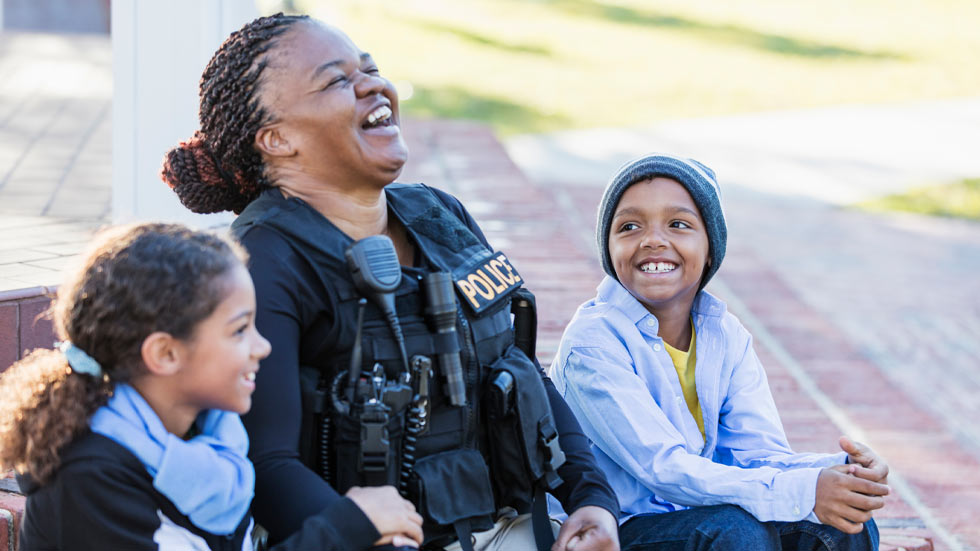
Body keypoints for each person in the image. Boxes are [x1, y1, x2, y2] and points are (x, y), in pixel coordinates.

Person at [160, 12, 619, 551]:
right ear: (277, 139)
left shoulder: (439, 214)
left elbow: (520, 371)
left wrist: (592, 496)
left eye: (371, 69)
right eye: (336, 80)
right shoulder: (262, 262)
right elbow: (265, 463)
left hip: (516, 528)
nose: (373, 85)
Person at [0, 223, 423, 551]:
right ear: (165, 354)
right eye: (239, 330)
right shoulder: (90, 475)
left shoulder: (210, 433)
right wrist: (347, 524)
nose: (263, 346)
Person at [548, 154, 891, 550]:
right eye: (629, 226)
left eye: (678, 224)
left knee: (844, 525)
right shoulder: (592, 343)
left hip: (699, 517)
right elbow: (663, 468)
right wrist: (806, 490)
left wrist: (841, 475)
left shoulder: (725, 335)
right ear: (609, 250)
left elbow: (756, 455)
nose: (653, 240)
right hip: (620, 529)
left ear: (710, 247)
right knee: (735, 532)